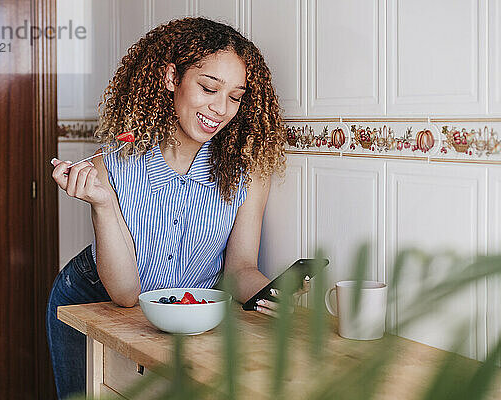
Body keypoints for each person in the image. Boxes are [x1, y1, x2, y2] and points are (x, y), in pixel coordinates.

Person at [46, 16, 306, 399]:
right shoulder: (113, 164)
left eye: (235, 96)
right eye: (208, 88)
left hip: (181, 316)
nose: (221, 108)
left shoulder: (246, 172)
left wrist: (274, 295)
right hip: (93, 297)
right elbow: (125, 294)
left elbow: (238, 269)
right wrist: (102, 203)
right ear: (171, 79)